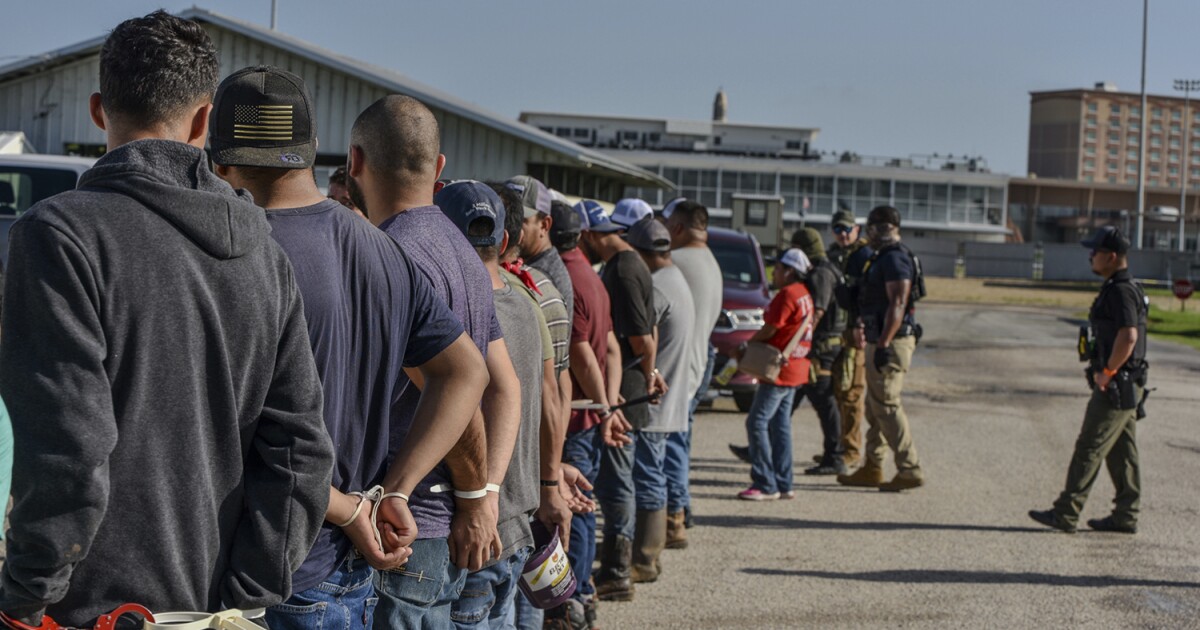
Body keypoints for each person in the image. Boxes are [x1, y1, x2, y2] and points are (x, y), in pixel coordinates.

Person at [0, 12, 334, 626]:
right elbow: (299, 451)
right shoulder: (264, 255)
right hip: (214, 608)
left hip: (86, 611)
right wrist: (247, 593)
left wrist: (25, 594)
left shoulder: (59, 237)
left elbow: (68, 446)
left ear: (99, 109)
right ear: (206, 121)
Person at [208, 66, 488, 629]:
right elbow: (466, 373)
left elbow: (237, 431)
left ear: (220, 160)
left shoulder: (239, 255)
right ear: (314, 149)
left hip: (267, 569)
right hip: (346, 565)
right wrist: (396, 491)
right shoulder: (380, 249)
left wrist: (356, 505)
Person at [346, 94, 522, 628]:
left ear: (355, 162)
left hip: (407, 529)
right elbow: (504, 386)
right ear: (439, 168)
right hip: (434, 526)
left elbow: (458, 389)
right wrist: (488, 490)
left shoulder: (390, 255)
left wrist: (476, 500)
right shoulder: (462, 250)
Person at [436, 181, 564, 627]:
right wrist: (550, 482)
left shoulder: (454, 314)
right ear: (505, 241)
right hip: (516, 521)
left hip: (474, 529)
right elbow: (552, 397)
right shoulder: (528, 303)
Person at [1030, 226, 1146, 534]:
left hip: (1117, 383)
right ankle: (1126, 515)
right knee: (1123, 451)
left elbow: (1129, 335)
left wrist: (1107, 372)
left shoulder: (1121, 289)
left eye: (1095, 251)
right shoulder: (1121, 286)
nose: (1090, 255)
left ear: (1111, 256)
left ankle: (1066, 512)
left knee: (1090, 446)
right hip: (1126, 381)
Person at [577, 199, 667, 602]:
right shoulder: (627, 264)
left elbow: (643, 337)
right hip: (625, 385)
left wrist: (647, 374)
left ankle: (618, 569)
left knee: (617, 481)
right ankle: (617, 565)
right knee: (617, 479)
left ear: (594, 236)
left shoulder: (626, 268)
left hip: (625, 390)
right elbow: (654, 323)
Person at [547, 199, 621, 629]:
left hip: (574, 416)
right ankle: (584, 593)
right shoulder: (591, 277)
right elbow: (609, 347)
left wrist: (602, 406)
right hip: (588, 412)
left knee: (569, 511)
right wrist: (605, 406)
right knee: (583, 508)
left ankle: (570, 601)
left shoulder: (569, 279)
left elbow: (581, 354)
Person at [626, 218, 695, 584]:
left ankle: (646, 559)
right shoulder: (678, 279)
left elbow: (642, 339)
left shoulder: (658, 288)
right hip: (671, 398)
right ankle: (650, 553)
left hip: (654, 402)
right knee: (658, 475)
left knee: (649, 477)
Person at [837, 205, 925, 492]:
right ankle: (873, 466)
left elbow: (898, 302)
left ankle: (909, 468)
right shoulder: (882, 257)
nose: (869, 233)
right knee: (875, 406)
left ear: (882, 227)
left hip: (891, 340)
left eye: (872, 228)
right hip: (881, 338)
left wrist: (885, 342)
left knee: (886, 403)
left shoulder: (896, 259)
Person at [661, 198, 722, 543]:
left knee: (672, 444)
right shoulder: (711, 262)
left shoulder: (678, 262)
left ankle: (674, 515)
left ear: (679, 228)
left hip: (681, 368)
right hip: (702, 361)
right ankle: (681, 508)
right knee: (680, 441)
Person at [735, 249, 814, 501]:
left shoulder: (788, 294)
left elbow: (771, 327)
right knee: (780, 426)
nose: (774, 273)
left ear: (789, 271)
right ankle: (784, 481)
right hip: (796, 365)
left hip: (778, 369)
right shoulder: (804, 294)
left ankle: (765, 482)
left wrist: (748, 344)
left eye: (777, 268)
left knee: (756, 422)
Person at [791, 227, 848, 475]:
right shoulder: (827, 268)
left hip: (820, 349)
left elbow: (818, 312)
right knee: (789, 397)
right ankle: (761, 446)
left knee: (824, 401)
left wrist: (799, 342)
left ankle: (835, 457)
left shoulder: (821, 274)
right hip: (822, 346)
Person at [827, 210, 872, 468]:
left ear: (857, 229)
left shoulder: (864, 256)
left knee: (852, 392)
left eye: (847, 229)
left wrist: (859, 325)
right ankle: (839, 447)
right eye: (837, 229)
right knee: (835, 391)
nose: (843, 234)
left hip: (854, 332)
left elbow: (867, 295)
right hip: (834, 332)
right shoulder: (832, 255)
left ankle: (852, 450)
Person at [514, 176, 574, 319]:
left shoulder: (542, 277)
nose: (510, 226)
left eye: (520, 220)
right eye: (504, 217)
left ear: (544, 225)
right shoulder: (527, 263)